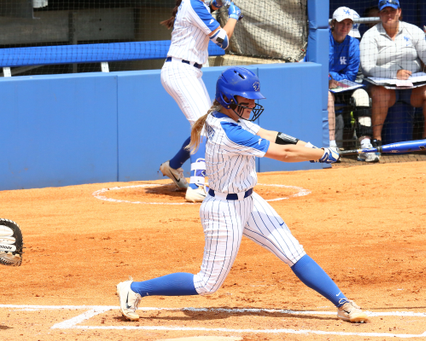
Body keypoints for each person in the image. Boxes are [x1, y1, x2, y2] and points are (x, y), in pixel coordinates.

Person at [116, 67, 369, 324]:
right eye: (246, 101)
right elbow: (284, 154)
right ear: (228, 99)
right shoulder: (230, 133)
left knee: (293, 252)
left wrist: (310, 146)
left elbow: (271, 135)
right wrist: (322, 154)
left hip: (249, 201)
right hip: (223, 211)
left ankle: (343, 304)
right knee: (206, 284)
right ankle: (134, 289)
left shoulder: (228, 119)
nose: (251, 104)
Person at [158, 0, 243, 202]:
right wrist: (233, 15)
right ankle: (197, 185)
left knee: (208, 124)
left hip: (189, 71)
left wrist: (218, 5)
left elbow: (209, 7)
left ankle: (174, 166)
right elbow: (223, 40)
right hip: (181, 71)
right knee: (204, 127)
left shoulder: (197, 6)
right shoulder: (193, 4)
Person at [360, 0, 426, 151]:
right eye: (384, 11)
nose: (389, 15)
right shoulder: (370, 35)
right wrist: (394, 74)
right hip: (386, 89)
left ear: (399, 12)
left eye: (392, 11)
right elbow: (368, 68)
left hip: (413, 88)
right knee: (379, 93)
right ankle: (376, 141)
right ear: (380, 14)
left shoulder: (414, 30)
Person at [327, 6, 379, 162]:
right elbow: (317, 66)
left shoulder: (353, 44)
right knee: (327, 96)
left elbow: (350, 75)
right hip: (323, 86)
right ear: (333, 24)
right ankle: (332, 146)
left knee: (362, 95)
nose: (345, 27)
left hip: (343, 85)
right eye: (342, 23)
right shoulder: (322, 40)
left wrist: (334, 78)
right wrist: (329, 79)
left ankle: (365, 145)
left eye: (349, 24)